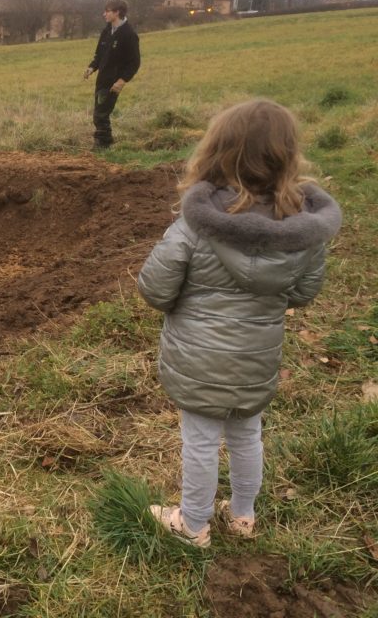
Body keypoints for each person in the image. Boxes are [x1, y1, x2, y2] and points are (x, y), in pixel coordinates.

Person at [137, 99, 342, 548]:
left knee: (201, 440)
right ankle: (243, 515)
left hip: (198, 362)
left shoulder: (195, 227)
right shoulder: (302, 232)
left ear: (217, 152)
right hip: (256, 359)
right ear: (287, 156)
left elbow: (155, 289)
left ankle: (192, 524)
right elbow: (304, 293)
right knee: (248, 433)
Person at [83, 0, 140, 150]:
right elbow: (100, 53)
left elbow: (134, 63)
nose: (104, 14)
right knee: (99, 112)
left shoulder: (129, 34)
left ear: (117, 12)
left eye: (107, 11)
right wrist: (92, 67)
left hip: (113, 82)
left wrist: (122, 81)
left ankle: (103, 144)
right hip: (102, 79)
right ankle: (105, 142)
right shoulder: (107, 30)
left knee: (101, 113)